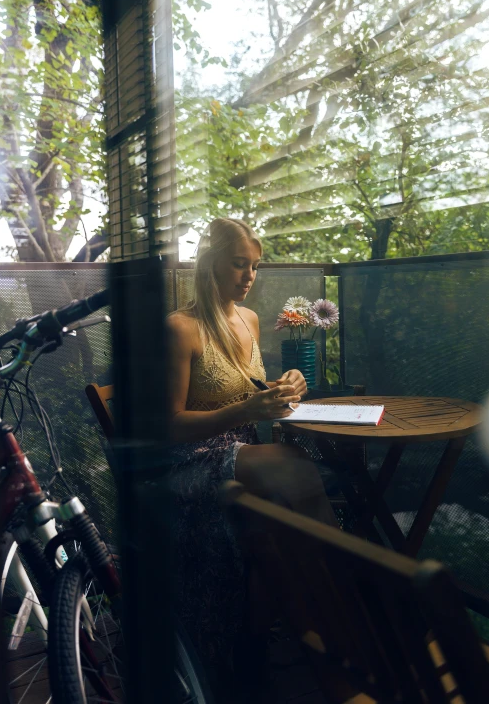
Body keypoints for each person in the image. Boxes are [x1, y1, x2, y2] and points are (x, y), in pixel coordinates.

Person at [166, 217, 337, 694]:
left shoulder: (250, 319)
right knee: (293, 464)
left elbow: (253, 389)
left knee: (273, 526)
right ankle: (337, 592)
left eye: (255, 267)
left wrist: (289, 386)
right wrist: (244, 409)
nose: (248, 276)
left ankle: (263, 644)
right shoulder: (180, 329)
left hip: (243, 447)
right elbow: (169, 425)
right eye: (239, 264)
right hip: (191, 459)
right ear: (210, 263)